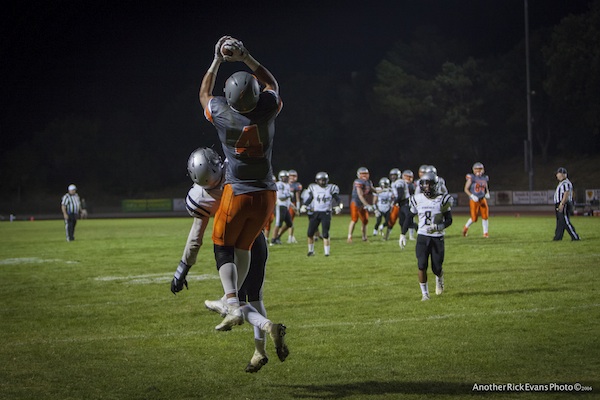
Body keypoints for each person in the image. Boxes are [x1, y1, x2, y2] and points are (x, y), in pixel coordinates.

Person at [171, 147, 288, 372]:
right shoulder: (235, 168)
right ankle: (259, 351)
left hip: (233, 246)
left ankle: (267, 328)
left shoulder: (202, 195)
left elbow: (196, 238)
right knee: (255, 297)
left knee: (235, 302)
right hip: (257, 238)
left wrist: (182, 268)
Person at [199, 35, 282, 330]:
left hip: (239, 191)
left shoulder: (222, 114)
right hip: (267, 193)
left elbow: (204, 95)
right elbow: (272, 85)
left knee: (222, 244)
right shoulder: (268, 107)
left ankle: (231, 301)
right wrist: (246, 56)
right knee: (245, 244)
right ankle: (234, 300)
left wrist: (217, 59)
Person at [399, 172, 453, 301]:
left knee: (436, 268)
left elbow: (449, 220)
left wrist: (438, 227)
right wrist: (402, 234)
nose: (427, 187)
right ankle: (425, 294)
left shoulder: (443, 199)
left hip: (437, 237)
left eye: (429, 184)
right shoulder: (417, 199)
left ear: (435, 185)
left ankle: (439, 278)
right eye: (424, 184)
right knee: (421, 265)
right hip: (422, 236)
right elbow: (409, 217)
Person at [300, 172, 342, 256]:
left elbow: (338, 199)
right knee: (310, 233)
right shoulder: (313, 188)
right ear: (317, 181)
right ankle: (311, 251)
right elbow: (310, 198)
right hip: (315, 212)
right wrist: (304, 205)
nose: (322, 182)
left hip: (326, 212)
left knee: (325, 233)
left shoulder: (331, 188)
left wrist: (339, 207)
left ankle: (327, 252)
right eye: (320, 180)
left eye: (324, 180)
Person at [462, 162, 490, 237]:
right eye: (477, 169)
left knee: (485, 215)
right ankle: (465, 227)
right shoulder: (471, 178)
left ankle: (485, 233)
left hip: (482, 198)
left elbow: (486, 186)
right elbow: (466, 189)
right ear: (474, 170)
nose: (478, 171)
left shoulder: (485, 178)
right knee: (474, 218)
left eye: (480, 169)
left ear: (483, 170)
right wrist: (472, 195)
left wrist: (487, 192)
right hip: (474, 200)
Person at [347, 167, 375, 243]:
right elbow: (360, 195)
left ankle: (364, 237)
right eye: (362, 174)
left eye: (366, 174)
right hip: (356, 202)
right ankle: (349, 236)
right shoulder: (358, 182)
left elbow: (374, 190)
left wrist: (384, 190)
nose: (364, 176)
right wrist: (367, 205)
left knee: (365, 220)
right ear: (358, 175)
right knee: (354, 219)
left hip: (363, 203)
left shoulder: (369, 182)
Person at [553, 167, 580, 241]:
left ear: (562, 174)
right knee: (560, 221)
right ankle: (558, 237)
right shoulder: (562, 183)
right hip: (561, 203)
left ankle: (575, 236)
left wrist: (562, 204)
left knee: (565, 221)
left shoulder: (565, 183)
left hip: (563, 203)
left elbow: (566, 194)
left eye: (558, 174)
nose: (557, 176)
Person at [271, 170, 294, 245]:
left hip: (286, 206)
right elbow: (280, 196)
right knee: (278, 223)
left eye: (287, 177)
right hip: (280, 205)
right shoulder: (279, 184)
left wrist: (292, 205)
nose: (286, 178)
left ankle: (278, 236)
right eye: (284, 177)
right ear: (280, 177)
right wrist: (289, 195)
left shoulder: (287, 185)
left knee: (289, 223)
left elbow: (287, 199)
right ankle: (273, 240)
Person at [287, 169, 302, 243]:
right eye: (291, 176)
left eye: (294, 176)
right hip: (283, 203)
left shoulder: (296, 185)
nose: (293, 177)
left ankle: (290, 236)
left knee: (290, 220)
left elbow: (297, 197)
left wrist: (298, 207)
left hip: (292, 204)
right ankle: (277, 237)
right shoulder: (283, 184)